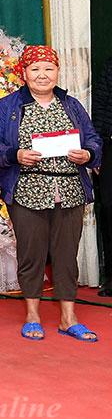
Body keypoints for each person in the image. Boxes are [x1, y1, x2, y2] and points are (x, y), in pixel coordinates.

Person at [0, 45, 102, 342]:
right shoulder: (8, 106)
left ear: (57, 72)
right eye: (35, 69)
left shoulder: (71, 105)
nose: (42, 74)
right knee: (31, 255)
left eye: (49, 68)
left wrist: (88, 154)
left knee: (67, 256)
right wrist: (15, 154)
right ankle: (32, 315)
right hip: (27, 191)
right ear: (24, 73)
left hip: (69, 191)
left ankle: (68, 318)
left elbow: (93, 139)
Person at [92, 57, 112, 296]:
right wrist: (97, 151)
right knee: (109, 210)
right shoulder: (110, 66)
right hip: (110, 146)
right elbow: (100, 108)